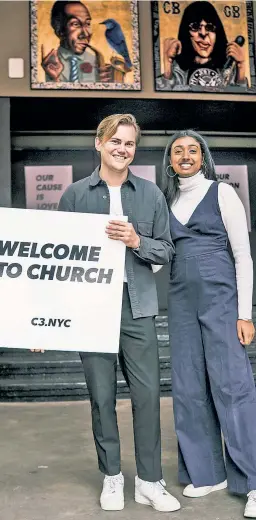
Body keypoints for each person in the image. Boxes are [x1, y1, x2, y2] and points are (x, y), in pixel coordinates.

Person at [57, 114, 180, 512]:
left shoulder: (150, 194)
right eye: (115, 141)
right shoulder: (75, 195)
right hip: (91, 309)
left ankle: (149, 480)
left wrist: (136, 240)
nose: (121, 149)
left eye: (129, 143)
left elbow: (167, 249)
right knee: (101, 397)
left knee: (146, 397)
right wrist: (44, 323)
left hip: (136, 308)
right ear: (99, 144)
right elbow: (57, 261)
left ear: (133, 150)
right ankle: (112, 476)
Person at [162, 129, 256, 518]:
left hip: (221, 300)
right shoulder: (165, 200)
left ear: (203, 156)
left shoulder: (221, 193)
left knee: (233, 387)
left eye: (192, 150)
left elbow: (243, 256)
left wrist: (245, 313)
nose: (185, 156)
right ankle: (207, 473)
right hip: (180, 301)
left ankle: (252, 481)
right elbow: (155, 258)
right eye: (178, 151)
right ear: (169, 159)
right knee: (187, 386)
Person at [157, 0, 247, 91]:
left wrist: (241, 67)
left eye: (210, 27)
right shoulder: (179, 68)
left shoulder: (228, 68)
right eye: (195, 27)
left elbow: (240, 98)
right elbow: (165, 96)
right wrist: (168, 62)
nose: (203, 33)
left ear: (217, 33)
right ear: (186, 33)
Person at [41, 1, 123, 83]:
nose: (86, 34)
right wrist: (54, 79)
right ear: (59, 30)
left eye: (88, 23)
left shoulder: (97, 62)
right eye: (76, 24)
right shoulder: (50, 64)